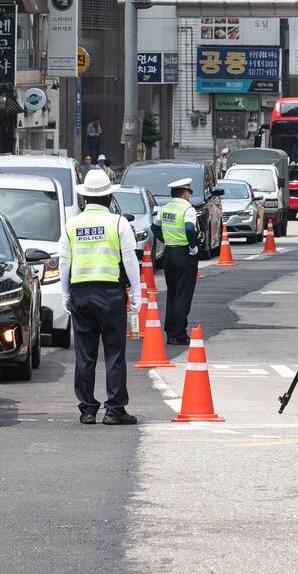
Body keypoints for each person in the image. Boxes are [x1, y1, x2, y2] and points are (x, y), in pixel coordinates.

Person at [58, 168, 141, 425]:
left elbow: (64, 262)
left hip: (81, 294)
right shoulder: (119, 223)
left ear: (85, 199)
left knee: (85, 354)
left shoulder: (72, 225)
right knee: (114, 351)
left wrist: (65, 293)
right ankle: (115, 409)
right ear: (108, 198)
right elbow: (129, 260)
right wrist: (136, 292)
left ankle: (87, 409)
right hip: (111, 294)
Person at [152, 178, 199, 346]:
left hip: (169, 253)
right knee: (183, 295)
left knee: (172, 294)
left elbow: (155, 227)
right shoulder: (188, 209)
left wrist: (166, 239)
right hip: (184, 253)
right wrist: (193, 247)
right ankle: (179, 333)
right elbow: (189, 228)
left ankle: (170, 331)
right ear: (185, 193)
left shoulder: (164, 209)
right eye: (189, 193)